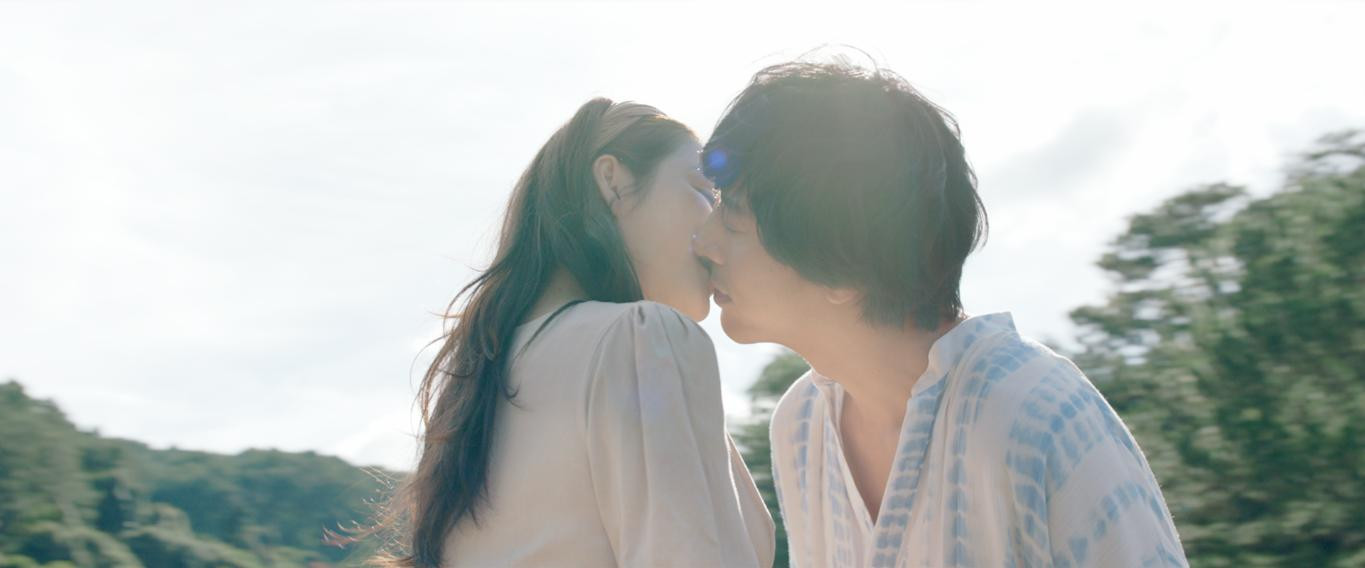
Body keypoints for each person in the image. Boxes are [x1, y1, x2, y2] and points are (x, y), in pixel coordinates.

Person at [692, 60, 1188, 567]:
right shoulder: (801, 426)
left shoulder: (1037, 412)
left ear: (842, 264)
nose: (703, 241)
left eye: (733, 218)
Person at [371, 98, 773, 567]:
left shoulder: (477, 382)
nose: (716, 227)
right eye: (703, 191)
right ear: (612, 181)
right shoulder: (640, 339)